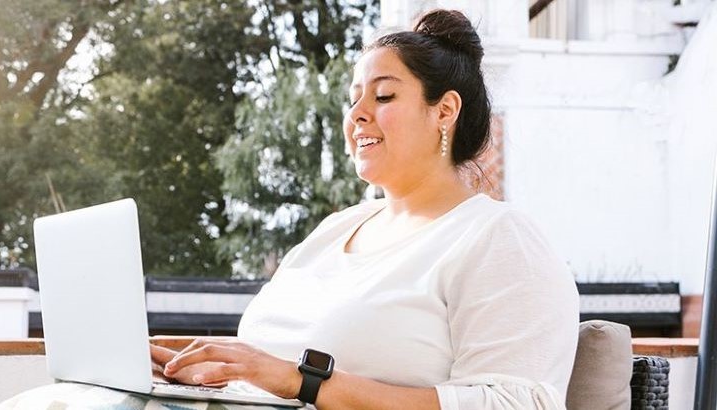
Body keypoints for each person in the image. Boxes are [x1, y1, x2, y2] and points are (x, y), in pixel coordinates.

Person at [149, 9, 579, 410]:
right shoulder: (335, 231)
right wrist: (196, 375)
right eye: (353, 99)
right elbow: (268, 376)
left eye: (384, 96)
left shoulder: (498, 238)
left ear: (444, 111)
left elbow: (517, 403)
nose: (356, 115)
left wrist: (306, 382)